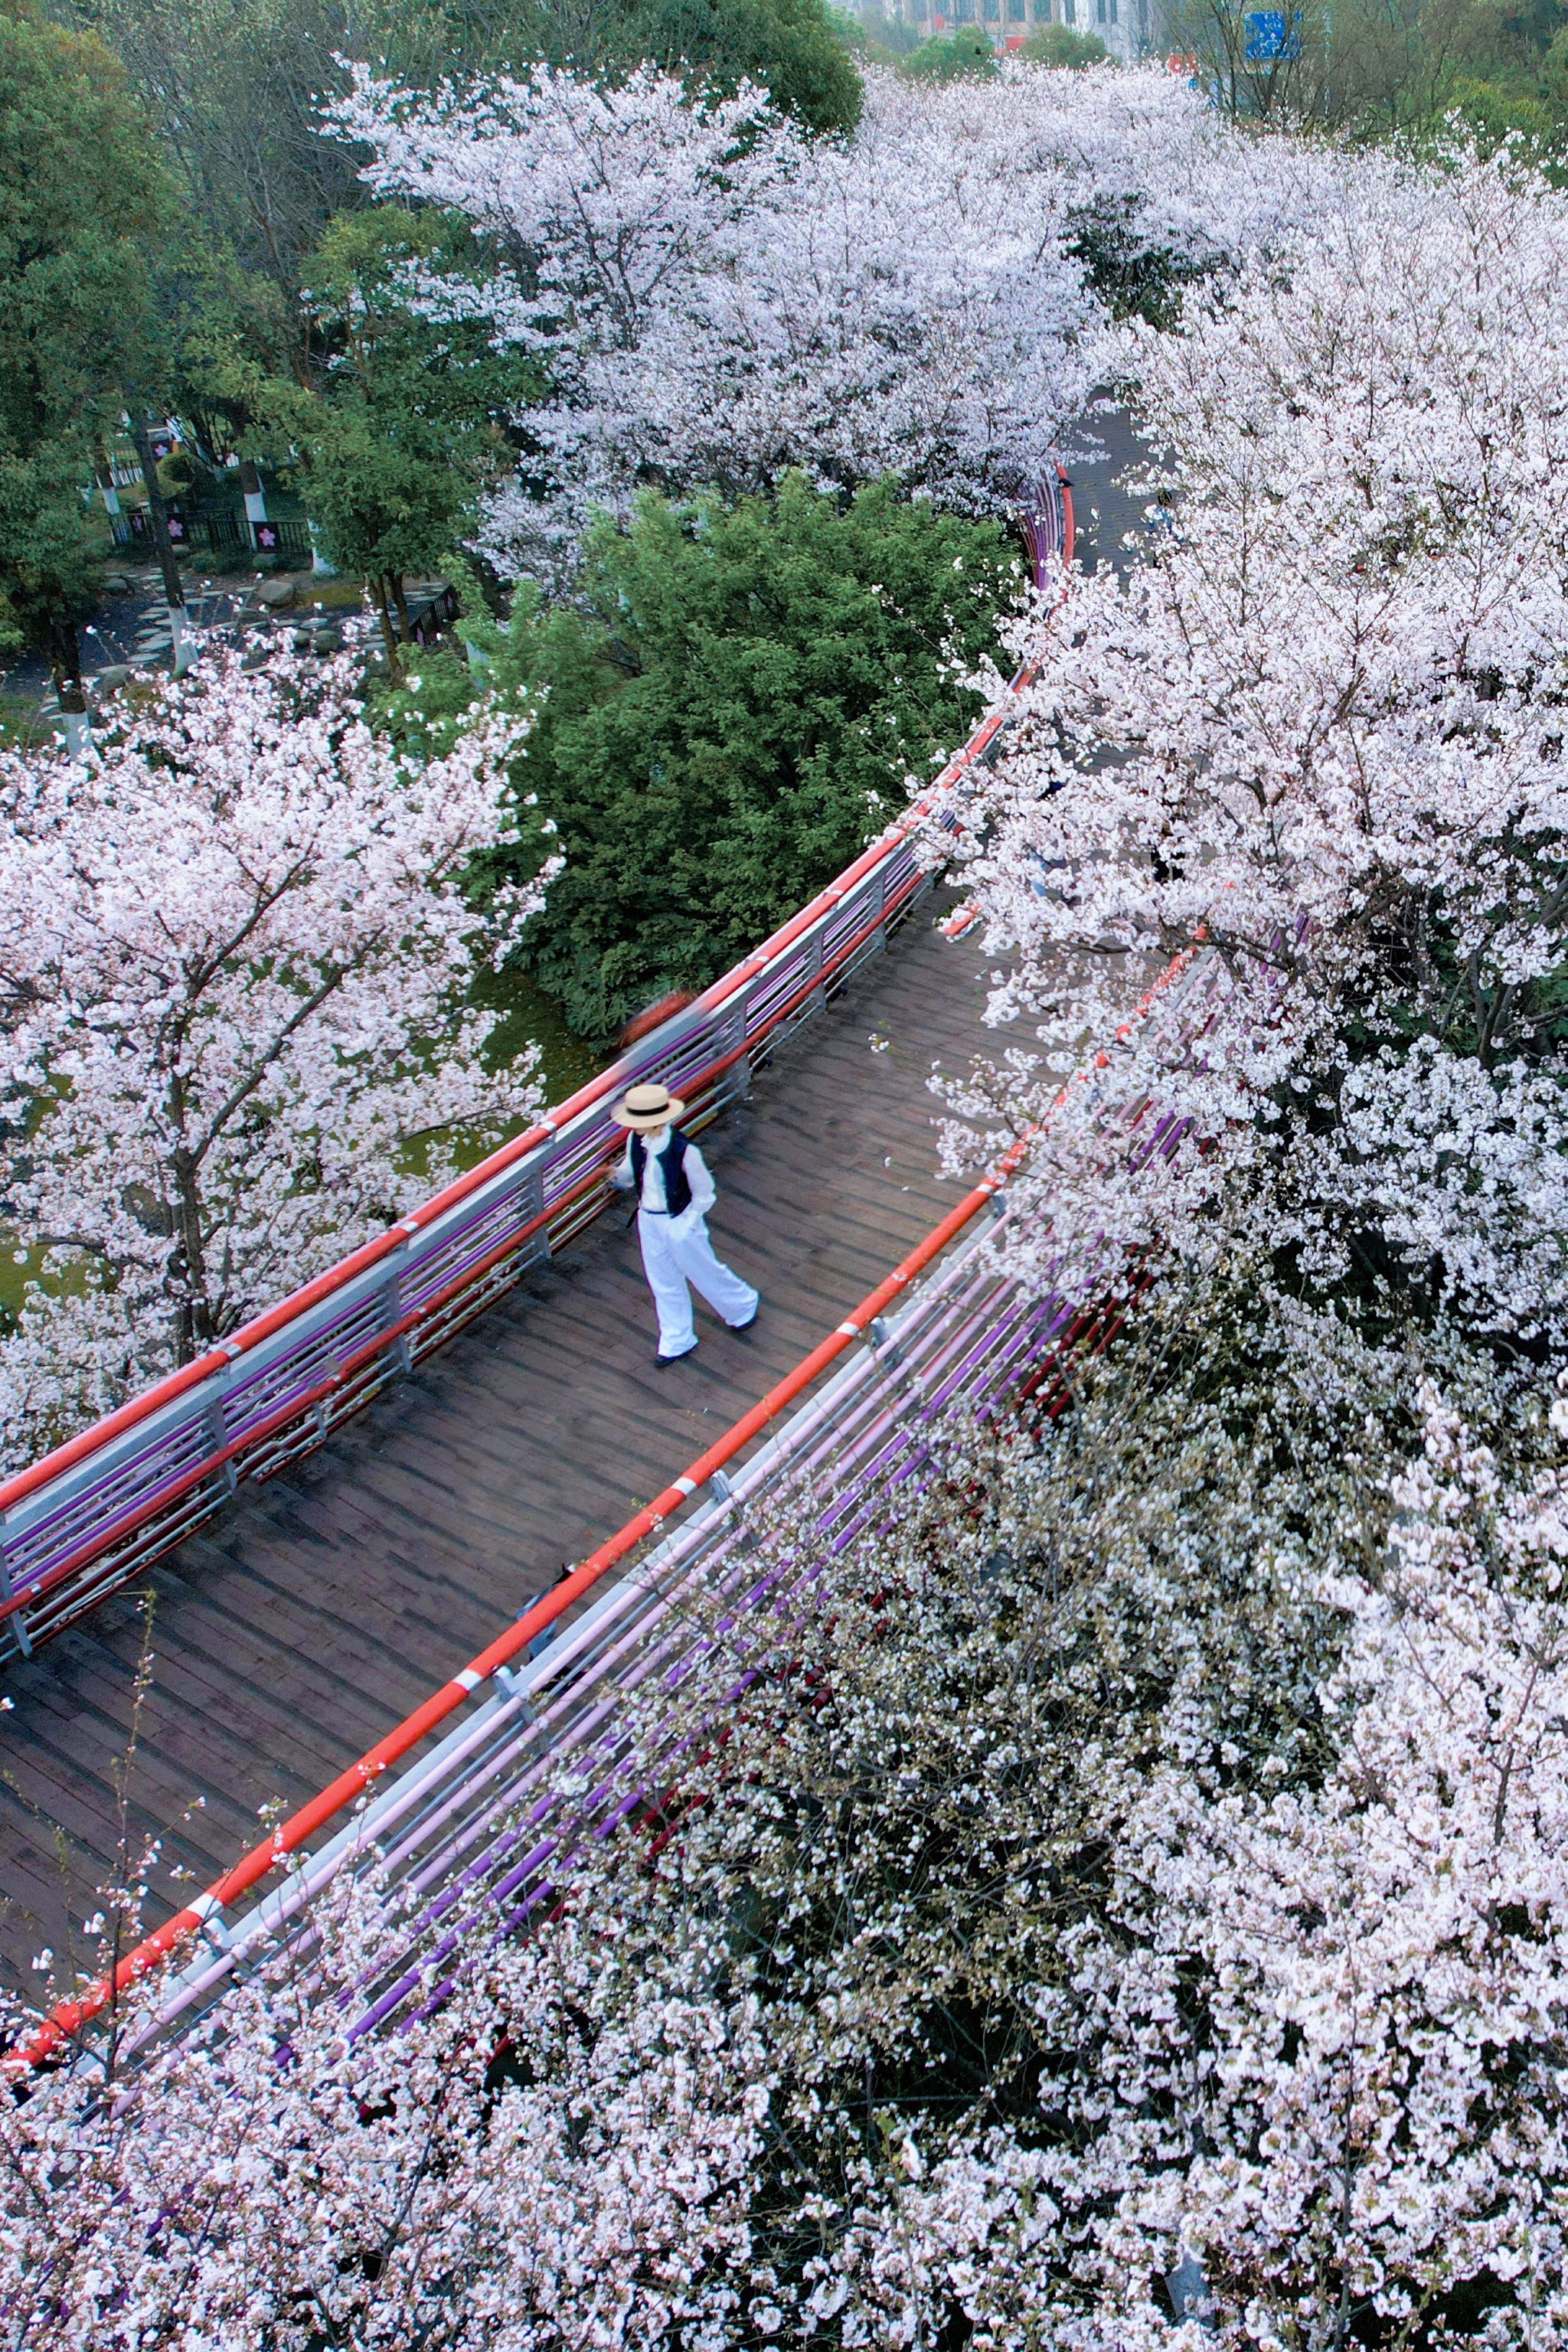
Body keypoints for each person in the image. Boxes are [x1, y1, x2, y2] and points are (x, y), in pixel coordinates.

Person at [609, 1080, 759, 1366]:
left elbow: (705, 1194)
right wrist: (616, 1176)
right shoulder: (635, 1142)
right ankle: (677, 1338)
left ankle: (741, 1306)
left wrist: (684, 1225)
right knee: (663, 1280)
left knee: (703, 1270)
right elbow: (630, 1176)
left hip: (679, 1220)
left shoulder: (685, 1151)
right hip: (648, 1219)